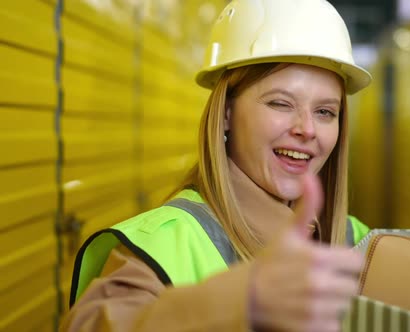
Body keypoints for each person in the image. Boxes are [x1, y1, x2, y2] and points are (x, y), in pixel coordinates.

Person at [60, 0, 373, 331]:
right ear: (226, 114)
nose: (307, 129)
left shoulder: (355, 239)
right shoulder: (162, 246)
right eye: (280, 103)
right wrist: (241, 301)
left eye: (325, 112)